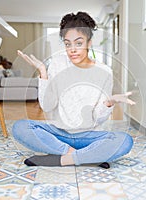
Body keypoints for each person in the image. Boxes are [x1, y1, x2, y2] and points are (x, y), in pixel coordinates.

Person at [12, 11, 135, 168]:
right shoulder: (57, 64)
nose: (72, 50)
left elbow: (98, 118)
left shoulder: (105, 71)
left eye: (78, 43)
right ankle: (85, 156)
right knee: (20, 127)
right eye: (67, 44)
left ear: (89, 43)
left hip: (89, 136)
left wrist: (109, 102)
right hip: (59, 133)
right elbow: (47, 106)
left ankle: (60, 159)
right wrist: (43, 72)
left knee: (124, 140)